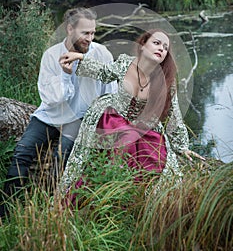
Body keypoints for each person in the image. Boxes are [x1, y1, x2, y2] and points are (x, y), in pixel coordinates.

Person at [58, 28, 205, 199]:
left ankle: (137, 203)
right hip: (115, 118)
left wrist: (182, 147)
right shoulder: (125, 63)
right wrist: (80, 57)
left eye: (165, 48)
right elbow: (104, 72)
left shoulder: (165, 80)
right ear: (143, 45)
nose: (161, 49)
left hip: (145, 127)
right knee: (120, 146)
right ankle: (99, 197)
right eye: (156, 43)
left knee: (156, 164)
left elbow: (173, 114)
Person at [0, 7, 117, 216]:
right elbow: (51, 99)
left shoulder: (102, 54)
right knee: (22, 152)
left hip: (80, 117)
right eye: (85, 33)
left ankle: (51, 211)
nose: (90, 38)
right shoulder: (51, 55)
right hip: (50, 116)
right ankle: (6, 211)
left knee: (62, 156)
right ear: (70, 29)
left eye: (93, 33)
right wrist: (65, 75)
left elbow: (110, 93)